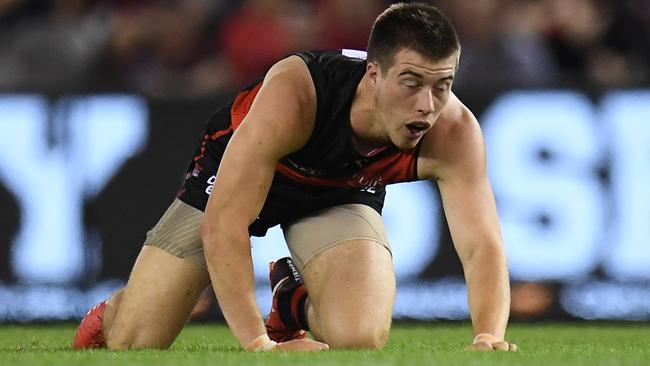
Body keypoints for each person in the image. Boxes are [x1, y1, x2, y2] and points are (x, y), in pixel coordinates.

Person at [73, 2, 516, 352]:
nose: (427, 104)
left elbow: (481, 245)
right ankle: (117, 310)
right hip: (237, 179)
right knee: (136, 340)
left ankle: (293, 302)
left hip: (337, 193)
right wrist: (257, 344)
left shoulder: (453, 130)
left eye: (442, 85)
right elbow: (224, 225)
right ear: (373, 74)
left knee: (359, 335)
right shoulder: (299, 91)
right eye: (411, 82)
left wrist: (488, 333)